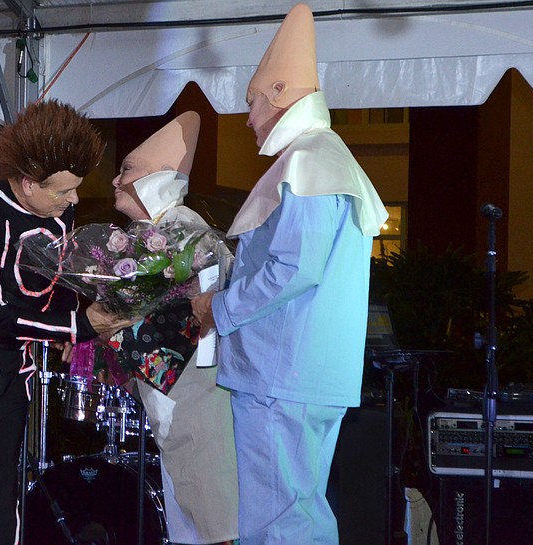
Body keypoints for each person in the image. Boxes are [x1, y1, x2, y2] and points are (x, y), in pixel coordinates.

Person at [190, 4, 389, 545]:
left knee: (278, 523)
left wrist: (218, 307)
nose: (248, 118)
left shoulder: (310, 162)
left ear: (279, 94)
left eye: (252, 102)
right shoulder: (323, 159)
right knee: (297, 513)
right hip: (302, 375)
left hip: (282, 375)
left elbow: (293, 269)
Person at [0, 99, 132, 545]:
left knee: (5, 490)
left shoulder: (58, 213)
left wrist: (71, 322)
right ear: (28, 183)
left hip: (13, 366)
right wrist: (77, 326)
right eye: (63, 191)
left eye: (75, 190)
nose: (73, 200)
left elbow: (53, 280)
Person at [111, 111, 239, 545]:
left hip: (195, 391)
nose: (115, 180)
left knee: (211, 512)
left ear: (158, 177)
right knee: (190, 510)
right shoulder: (153, 234)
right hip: (172, 394)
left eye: (127, 170)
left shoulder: (185, 233)